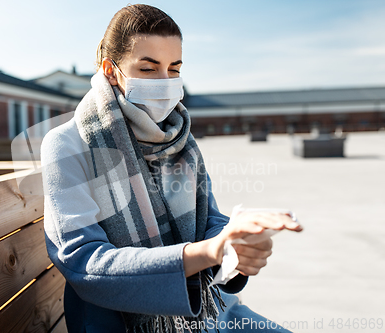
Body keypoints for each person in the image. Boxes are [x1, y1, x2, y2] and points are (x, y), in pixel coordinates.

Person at [40, 4, 302, 332]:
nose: (165, 82)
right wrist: (206, 252)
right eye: (148, 70)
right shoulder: (67, 145)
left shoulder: (181, 139)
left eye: (174, 69)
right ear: (111, 70)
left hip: (208, 313)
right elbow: (84, 262)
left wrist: (235, 246)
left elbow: (210, 221)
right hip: (118, 323)